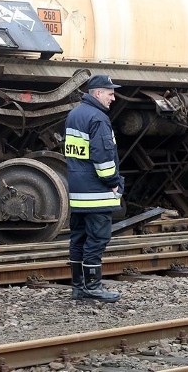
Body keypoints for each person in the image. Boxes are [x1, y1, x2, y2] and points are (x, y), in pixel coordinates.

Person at [64, 74, 125, 302]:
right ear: (98, 93)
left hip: (78, 191)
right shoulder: (98, 119)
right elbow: (103, 157)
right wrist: (114, 182)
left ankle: (79, 287)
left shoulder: (74, 115)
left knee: (78, 239)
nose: (113, 98)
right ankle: (93, 287)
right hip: (96, 192)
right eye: (110, 93)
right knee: (97, 239)